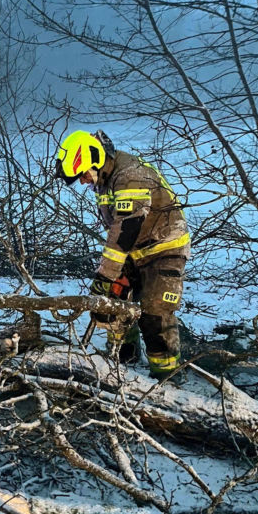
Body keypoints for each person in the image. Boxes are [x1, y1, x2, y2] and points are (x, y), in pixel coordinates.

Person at [55, 129, 190, 380]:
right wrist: (112, 279)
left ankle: (168, 378)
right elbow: (118, 231)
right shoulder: (106, 179)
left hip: (164, 249)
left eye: (83, 174)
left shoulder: (130, 176)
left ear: (95, 159)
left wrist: (105, 275)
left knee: (154, 314)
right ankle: (122, 364)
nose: (83, 181)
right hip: (134, 251)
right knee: (113, 304)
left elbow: (126, 229)